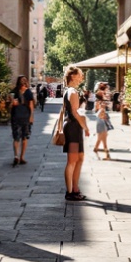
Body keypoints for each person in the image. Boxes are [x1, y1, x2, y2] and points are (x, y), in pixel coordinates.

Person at [58, 65, 90, 200]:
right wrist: (86, 127)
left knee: (80, 158)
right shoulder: (72, 92)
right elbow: (75, 112)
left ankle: (75, 189)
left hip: (73, 127)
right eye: (80, 74)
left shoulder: (70, 91)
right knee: (72, 160)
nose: (82, 77)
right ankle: (70, 192)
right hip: (73, 128)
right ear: (73, 76)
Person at [9, 75, 34, 166]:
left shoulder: (23, 92)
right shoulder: (21, 92)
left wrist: (31, 116)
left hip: (20, 117)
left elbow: (31, 105)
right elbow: (10, 104)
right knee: (21, 137)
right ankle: (19, 156)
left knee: (20, 137)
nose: (24, 83)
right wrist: (12, 103)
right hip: (21, 117)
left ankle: (19, 156)